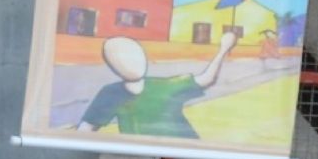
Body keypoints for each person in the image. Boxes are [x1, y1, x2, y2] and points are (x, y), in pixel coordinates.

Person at [75, 28, 238, 139]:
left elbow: (206, 79)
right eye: (119, 57)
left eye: (135, 54)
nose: (131, 62)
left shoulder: (166, 85)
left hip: (185, 148)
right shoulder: (110, 94)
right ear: (111, 63)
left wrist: (223, 48)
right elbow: (85, 130)